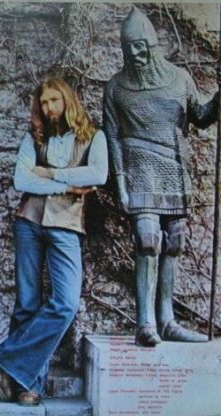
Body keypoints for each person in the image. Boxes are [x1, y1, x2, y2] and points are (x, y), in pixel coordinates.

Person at [0, 77, 108, 406]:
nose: (49, 107)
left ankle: (5, 355)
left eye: (54, 100)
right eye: (44, 102)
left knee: (66, 302)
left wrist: (50, 173)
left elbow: (98, 175)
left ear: (67, 100)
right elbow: (21, 180)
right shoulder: (33, 137)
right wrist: (68, 185)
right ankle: (28, 385)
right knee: (27, 303)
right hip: (29, 222)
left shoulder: (93, 136)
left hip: (66, 225)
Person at [104, 7, 217, 347]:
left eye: (140, 47)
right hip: (139, 171)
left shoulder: (179, 79)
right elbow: (112, 136)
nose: (135, 54)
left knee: (175, 243)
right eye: (129, 48)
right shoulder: (116, 87)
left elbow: (201, 116)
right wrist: (121, 182)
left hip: (173, 168)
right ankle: (145, 322)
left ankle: (167, 320)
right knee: (147, 239)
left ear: (152, 46)